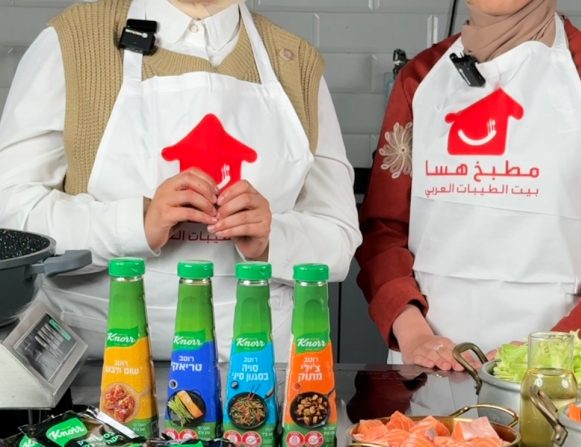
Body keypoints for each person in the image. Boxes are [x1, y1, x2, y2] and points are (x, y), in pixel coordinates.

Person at [0, 0, 361, 362]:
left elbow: (338, 237)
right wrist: (135, 223)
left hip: (257, 376)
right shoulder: (74, 41)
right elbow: (11, 213)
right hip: (89, 369)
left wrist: (272, 240)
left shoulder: (296, 63)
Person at [356, 0, 581, 370]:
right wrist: (412, 331)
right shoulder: (420, 78)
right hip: (425, 369)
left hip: (559, 376)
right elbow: (382, 230)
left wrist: (556, 352)